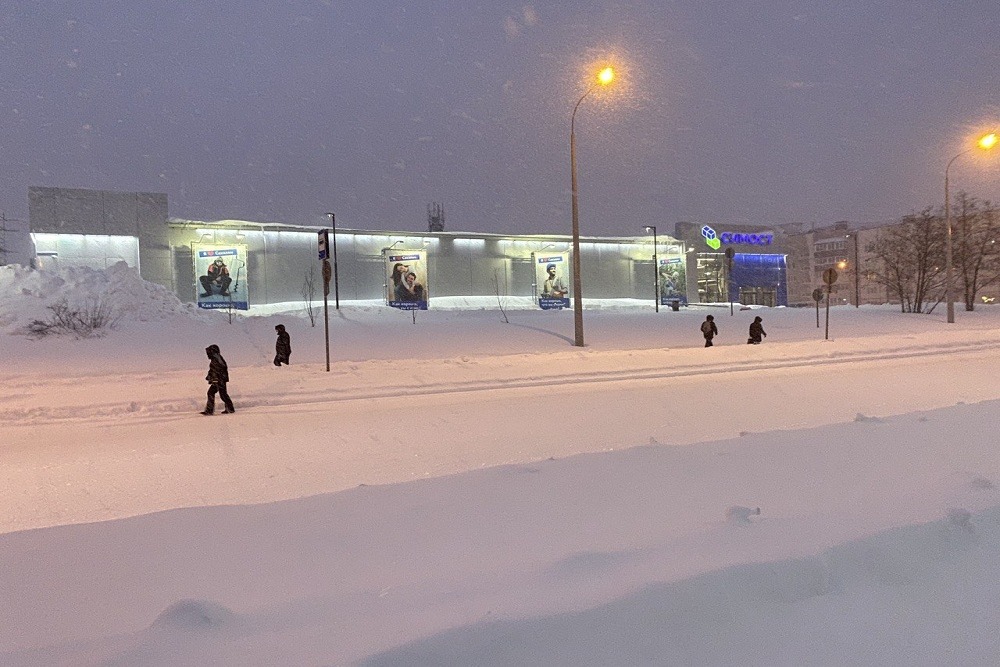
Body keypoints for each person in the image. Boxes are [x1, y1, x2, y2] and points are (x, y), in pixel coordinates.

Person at [202, 344, 235, 414]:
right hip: (219, 380)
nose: (207, 354)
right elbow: (213, 370)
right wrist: (209, 376)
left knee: (213, 393)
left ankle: (210, 410)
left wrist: (216, 378)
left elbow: (221, 369)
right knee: (222, 394)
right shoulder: (216, 358)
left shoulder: (217, 358)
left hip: (219, 380)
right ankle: (230, 409)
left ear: (213, 351)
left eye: (209, 352)